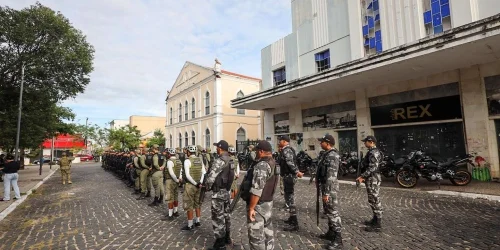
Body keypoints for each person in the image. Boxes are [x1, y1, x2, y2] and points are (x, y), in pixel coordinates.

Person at [242, 140, 279, 250]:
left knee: (256, 238)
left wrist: (251, 208)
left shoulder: (262, 165)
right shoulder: (273, 162)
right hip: (268, 203)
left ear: (261, 151)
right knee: (268, 234)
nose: (256, 153)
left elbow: (257, 189)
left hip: (259, 206)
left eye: (257, 151)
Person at [205, 140, 235, 250]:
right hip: (226, 192)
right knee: (227, 216)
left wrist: (207, 187)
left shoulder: (219, 161)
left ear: (220, 148)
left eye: (217, 147)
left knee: (218, 217)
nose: (216, 149)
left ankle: (220, 244)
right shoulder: (231, 160)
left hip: (218, 193)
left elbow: (211, 178)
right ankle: (227, 237)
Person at [316, 134, 343, 249]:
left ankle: (338, 239)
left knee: (333, 213)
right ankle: (331, 233)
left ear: (327, 143)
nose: (320, 143)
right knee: (328, 211)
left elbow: (331, 176)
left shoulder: (332, 156)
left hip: (330, 189)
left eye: (321, 141)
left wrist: (326, 193)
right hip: (325, 187)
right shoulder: (326, 155)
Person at [356, 135, 383, 232]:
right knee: (372, 199)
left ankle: (378, 224)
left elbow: (373, 167)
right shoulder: (371, 151)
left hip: (373, 178)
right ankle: (375, 219)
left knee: (375, 199)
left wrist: (363, 176)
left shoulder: (374, 152)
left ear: (371, 142)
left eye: (365, 141)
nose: (364, 143)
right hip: (371, 178)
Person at [277, 135, 303, 231]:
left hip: (289, 176)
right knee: (288, 198)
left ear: (284, 141)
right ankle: (292, 218)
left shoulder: (287, 150)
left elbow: (290, 163)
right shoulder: (284, 150)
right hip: (287, 176)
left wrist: (297, 172)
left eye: (280, 140)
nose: (279, 142)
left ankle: (294, 223)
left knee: (290, 199)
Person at [181, 145, 206, 230]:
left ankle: (190, 225)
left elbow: (187, 175)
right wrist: (200, 183)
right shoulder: (200, 160)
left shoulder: (187, 161)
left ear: (188, 152)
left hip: (191, 185)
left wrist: (195, 183)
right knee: (197, 203)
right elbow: (203, 172)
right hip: (199, 185)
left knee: (189, 204)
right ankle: (198, 221)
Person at [161, 148, 182, 221]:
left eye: (167, 153)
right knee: (176, 196)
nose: (166, 155)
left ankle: (170, 215)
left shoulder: (169, 161)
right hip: (177, 180)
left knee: (169, 197)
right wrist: (179, 179)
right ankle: (175, 211)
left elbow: (171, 172)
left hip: (170, 180)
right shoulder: (178, 160)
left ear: (169, 154)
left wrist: (175, 179)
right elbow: (181, 171)